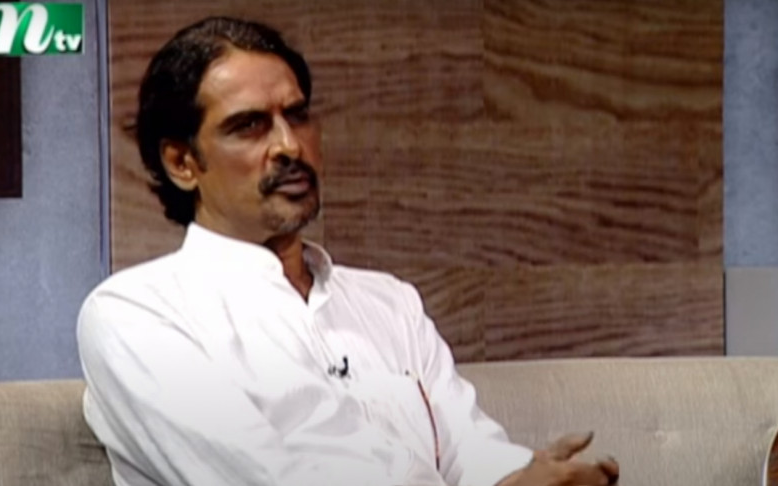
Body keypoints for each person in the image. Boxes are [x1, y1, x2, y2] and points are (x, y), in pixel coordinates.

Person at [77, 16, 619, 486]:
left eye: (297, 115)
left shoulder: (389, 302)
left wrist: (532, 478)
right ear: (182, 162)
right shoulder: (136, 314)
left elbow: (472, 455)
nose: (289, 145)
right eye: (250, 126)